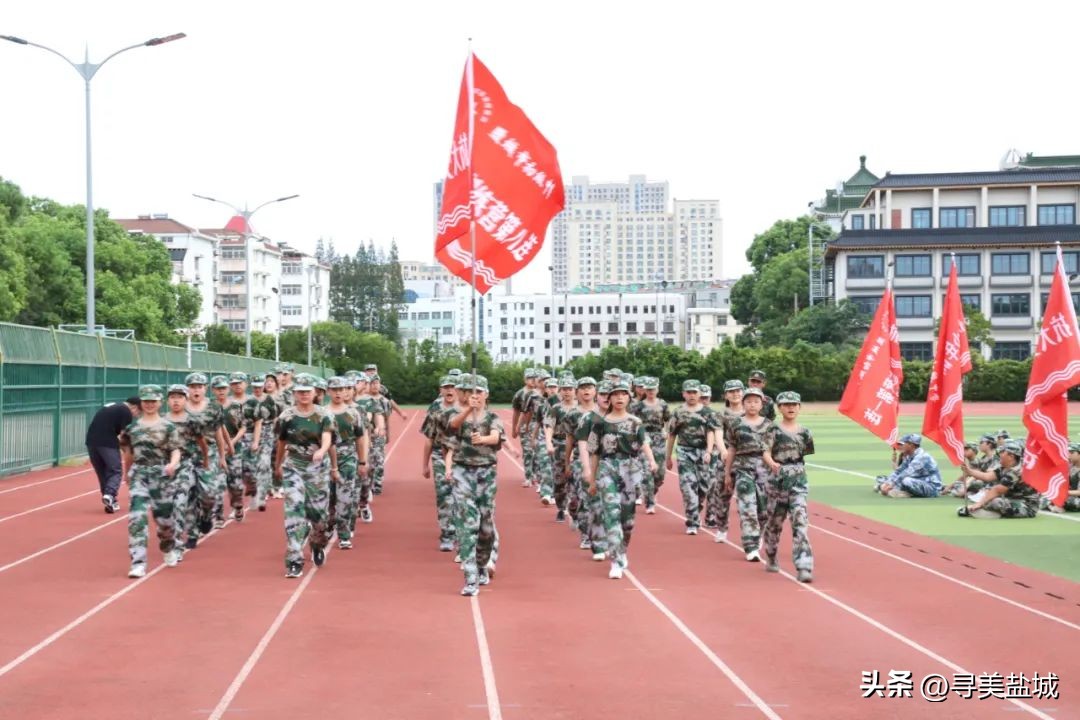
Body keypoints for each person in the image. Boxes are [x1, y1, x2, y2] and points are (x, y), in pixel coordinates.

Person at [581, 381, 657, 580]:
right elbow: (595, 452)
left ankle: (622, 550)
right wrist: (592, 478)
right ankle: (616, 560)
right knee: (611, 513)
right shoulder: (600, 423)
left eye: (623, 394)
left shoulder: (635, 422)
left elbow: (644, 443)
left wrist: (651, 461)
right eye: (615, 395)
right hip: (608, 468)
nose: (619, 398)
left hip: (630, 469)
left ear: (629, 398)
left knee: (627, 520)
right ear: (610, 398)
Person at [444, 375, 505, 596]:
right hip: (462, 472)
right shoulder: (457, 415)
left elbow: (497, 437)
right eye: (471, 392)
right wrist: (468, 411)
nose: (475, 396)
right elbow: (452, 427)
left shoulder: (493, 418)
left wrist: (484, 439)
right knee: (467, 523)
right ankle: (470, 576)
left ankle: (482, 564)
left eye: (479, 392)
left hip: (486, 473)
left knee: (486, 526)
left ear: (486, 395)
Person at [274, 373, 335, 578]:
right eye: (300, 392)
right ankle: (294, 559)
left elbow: (327, 437)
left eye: (307, 392)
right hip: (293, 467)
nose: (304, 395)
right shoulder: (286, 416)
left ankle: (317, 544)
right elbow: (281, 442)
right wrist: (278, 465)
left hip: (317, 470)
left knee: (319, 517)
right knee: (294, 512)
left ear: (314, 393)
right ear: (294, 394)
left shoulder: (324, 414)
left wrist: (321, 450)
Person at [118, 385, 182, 578]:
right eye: (146, 401)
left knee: (165, 521)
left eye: (153, 401)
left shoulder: (168, 427)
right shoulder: (132, 428)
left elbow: (176, 449)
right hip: (140, 475)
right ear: (141, 403)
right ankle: (138, 562)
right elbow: (128, 453)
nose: (149, 405)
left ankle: (168, 545)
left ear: (159, 403)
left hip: (161, 475)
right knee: (137, 517)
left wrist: (172, 464)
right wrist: (126, 473)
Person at [762, 391, 814, 582]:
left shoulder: (805, 432)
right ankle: (771, 554)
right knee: (774, 523)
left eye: (794, 404)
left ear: (799, 407)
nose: (791, 408)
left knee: (800, 521)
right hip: (777, 482)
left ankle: (804, 565)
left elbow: (804, 455)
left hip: (798, 482)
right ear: (779, 407)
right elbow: (765, 451)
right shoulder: (772, 430)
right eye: (786, 405)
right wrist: (772, 463)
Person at [724, 386, 773, 561]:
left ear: (762, 404)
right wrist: (727, 473)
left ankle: (758, 535)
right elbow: (731, 449)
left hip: (765, 472)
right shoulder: (736, 424)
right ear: (743, 404)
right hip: (743, 469)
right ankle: (750, 546)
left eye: (756, 402)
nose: (752, 405)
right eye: (749, 401)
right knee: (747, 508)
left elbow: (774, 451)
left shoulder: (769, 425)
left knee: (764, 512)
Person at [665, 380, 718, 535]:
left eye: (695, 392)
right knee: (688, 487)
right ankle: (692, 521)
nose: (692, 395)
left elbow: (711, 432)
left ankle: (696, 509)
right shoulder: (678, 412)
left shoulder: (708, 413)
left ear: (699, 394)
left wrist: (708, 451)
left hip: (704, 453)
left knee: (704, 487)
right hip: (684, 452)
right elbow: (672, 435)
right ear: (683, 394)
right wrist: (668, 457)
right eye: (688, 392)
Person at [163, 385, 208, 562]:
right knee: (170, 507)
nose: (176, 400)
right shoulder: (162, 421)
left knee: (180, 504)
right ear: (167, 400)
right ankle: (190, 530)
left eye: (180, 397)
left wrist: (206, 460)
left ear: (186, 400)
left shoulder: (192, 421)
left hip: (187, 465)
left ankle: (177, 545)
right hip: (165, 468)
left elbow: (202, 442)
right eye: (172, 397)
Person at [326, 376, 368, 549]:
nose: (338, 393)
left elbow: (360, 438)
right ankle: (328, 526)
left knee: (345, 497)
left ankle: (344, 534)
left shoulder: (353, 413)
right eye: (334, 390)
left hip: (348, 457)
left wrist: (362, 461)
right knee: (328, 497)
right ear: (328, 391)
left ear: (346, 391)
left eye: (341, 389)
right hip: (325, 459)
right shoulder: (321, 412)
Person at [421, 376, 460, 551]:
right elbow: (429, 440)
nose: (450, 390)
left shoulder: (466, 410)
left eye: (453, 387)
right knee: (444, 496)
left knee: (461, 495)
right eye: (446, 387)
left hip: (462, 456)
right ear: (441, 390)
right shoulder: (435, 412)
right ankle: (447, 535)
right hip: (439, 455)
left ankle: (462, 531)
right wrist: (425, 464)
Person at [86, 396, 141, 513]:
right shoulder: (126, 411)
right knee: (116, 470)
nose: (136, 416)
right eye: (138, 412)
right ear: (135, 407)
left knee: (102, 472)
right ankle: (110, 494)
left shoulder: (112, 406)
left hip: (91, 442)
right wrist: (129, 451)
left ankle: (110, 500)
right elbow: (124, 436)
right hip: (107, 442)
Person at [959, 441, 1039, 519]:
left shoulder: (1016, 471)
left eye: (1002, 452)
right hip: (1012, 500)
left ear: (1011, 456)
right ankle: (984, 510)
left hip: (1026, 506)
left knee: (996, 502)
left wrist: (979, 504)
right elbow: (987, 476)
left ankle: (988, 512)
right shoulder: (1005, 467)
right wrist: (969, 471)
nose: (999, 454)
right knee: (991, 498)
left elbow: (997, 490)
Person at [707, 380, 742, 542]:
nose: (735, 394)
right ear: (726, 395)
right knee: (723, 495)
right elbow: (718, 434)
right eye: (731, 391)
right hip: (726, 459)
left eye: (738, 390)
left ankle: (753, 534)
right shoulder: (720, 415)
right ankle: (721, 527)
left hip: (746, 460)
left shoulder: (750, 413)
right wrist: (723, 451)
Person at [629, 377, 670, 515]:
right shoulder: (638, 406)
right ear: (645, 391)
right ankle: (650, 502)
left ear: (657, 390)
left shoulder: (663, 404)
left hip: (659, 438)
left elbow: (667, 420)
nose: (651, 391)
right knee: (647, 471)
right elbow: (632, 423)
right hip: (644, 438)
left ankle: (652, 491)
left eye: (653, 389)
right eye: (648, 389)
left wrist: (665, 430)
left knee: (660, 473)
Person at [547, 376, 579, 522]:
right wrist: (548, 442)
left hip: (578, 447)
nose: (567, 392)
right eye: (564, 389)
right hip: (559, 445)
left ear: (575, 391)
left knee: (576, 479)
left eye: (570, 389)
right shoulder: (556, 409)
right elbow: (549, 426)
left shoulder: (580, 408)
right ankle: (561, 507)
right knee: (559, 481)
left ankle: (576, 509)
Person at [873, 434, 943, 498]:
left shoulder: (922, 457)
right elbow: (898, 471)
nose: (899, 446)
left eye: (902, 444)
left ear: (911, 445)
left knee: (906, 480)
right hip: (918, 482)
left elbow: (907, 472)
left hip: (932, 488)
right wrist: (888, 483)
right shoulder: (909, 456)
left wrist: (891, 485)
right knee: (887, 480)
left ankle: (907, 493)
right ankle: (901, 491)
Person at [222, 372, 251, 522]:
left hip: (235, 446)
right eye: (233, 383)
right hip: (216, 447)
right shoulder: (210, 407)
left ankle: (238, 505)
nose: (220, 391)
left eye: (222, 388)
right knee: (216, 483)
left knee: (235, 480)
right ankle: (217, 515)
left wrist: (231, 443)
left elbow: (243, 427)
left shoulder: (236, 407)